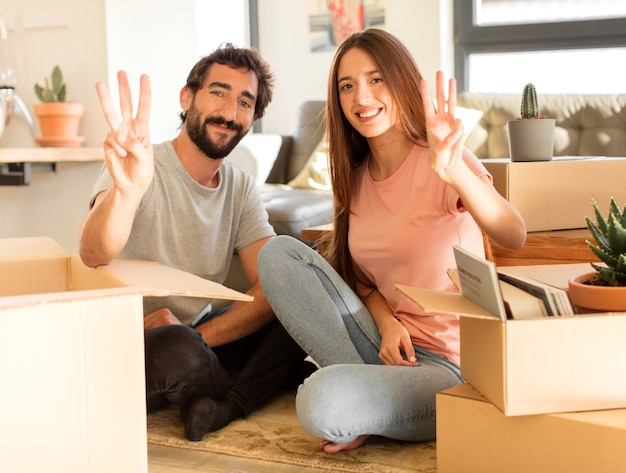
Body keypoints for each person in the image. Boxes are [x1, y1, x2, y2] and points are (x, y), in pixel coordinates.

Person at [257, 28, 526, 453]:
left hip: (454, 368)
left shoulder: (442, 161)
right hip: (382, 346)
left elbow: (514, 233)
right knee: (278, 254)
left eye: (376, 79)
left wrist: (454, 170)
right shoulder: (355, 180)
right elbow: (362, 280)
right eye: (347, 86)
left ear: (401, 81)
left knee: (318, 401)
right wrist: (386, 323)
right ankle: (371, 404)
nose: (362, 97)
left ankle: (368, 406)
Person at [79, 43, 314, 441]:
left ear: (253, 119)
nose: (229, 112)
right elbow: (93, 252)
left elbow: (273, 287)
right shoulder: (141, 164)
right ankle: (243, 385)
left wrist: (200, 336)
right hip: (131, 342)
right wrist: (127, 192)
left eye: (245, 102)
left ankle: (223, 401)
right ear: (187, 97)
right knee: (181, 352)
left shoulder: (239, 186)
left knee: (302, 284)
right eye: (218, 92)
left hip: (197, 333)